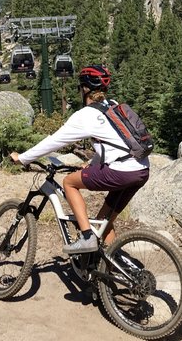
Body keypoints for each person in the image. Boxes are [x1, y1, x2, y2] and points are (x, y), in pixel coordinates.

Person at [10, 65, 150, 254]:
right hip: (141, 170)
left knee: (69, 182)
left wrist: (23, 158)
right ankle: (112, 270)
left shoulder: (86, 115)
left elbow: (54, 141)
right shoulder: (113, 106)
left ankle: (86, 237)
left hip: (121, 171)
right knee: (103, 222)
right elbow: (112, 144)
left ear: (85, 90)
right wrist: (92, 165)